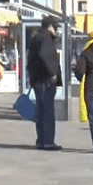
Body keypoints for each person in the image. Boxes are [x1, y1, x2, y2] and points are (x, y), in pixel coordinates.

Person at [27, 16, 63, 151]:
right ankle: (48, 142)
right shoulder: (46, 39)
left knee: (41, 111)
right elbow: (44, 56)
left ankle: (41, 141)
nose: (56, 30)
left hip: (37, 79)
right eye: (55, 27)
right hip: (45, 81)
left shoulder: (37, 38)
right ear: (49, 27)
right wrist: (52, 73)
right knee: (48, 112)